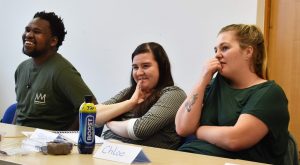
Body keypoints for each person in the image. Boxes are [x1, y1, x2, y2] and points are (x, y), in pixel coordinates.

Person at [175, 24, 289, 164]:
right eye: (215, 49)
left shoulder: (269, 93)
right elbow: (182, 128)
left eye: (225, 48)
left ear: (248, 52)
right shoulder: (213, 84)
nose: (217, 54)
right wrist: (202, 79)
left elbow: (234, 139)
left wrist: (198, 130)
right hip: (189, 157)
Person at [14, 11, 97, 130]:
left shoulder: (62, 71)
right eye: (27, 30)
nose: (29, 35)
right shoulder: (21, 68)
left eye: (36, 32)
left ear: (53, 41)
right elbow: (20, 109)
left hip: (46, 145)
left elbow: (91, 107)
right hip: (17, 142)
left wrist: (65, 139)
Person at [95, 42, 186, 149]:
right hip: (109, 151)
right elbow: (91, 115)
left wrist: (109, 122)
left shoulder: (174, 94)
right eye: (135, 67)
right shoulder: (130, 93)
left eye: (146, 66)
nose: (139, 73)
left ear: (161, 67)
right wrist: (130, 103)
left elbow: (139, 130)